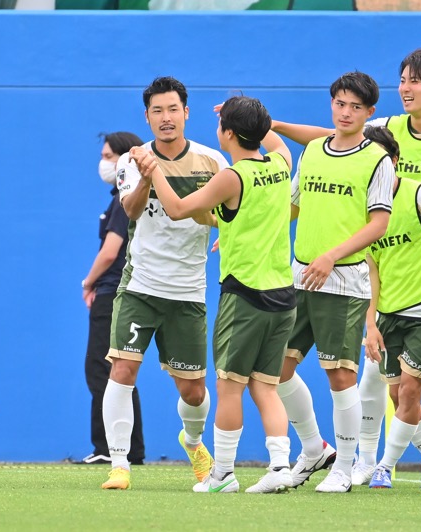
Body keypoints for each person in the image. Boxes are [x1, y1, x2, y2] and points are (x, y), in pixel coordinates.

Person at [273, 48, 421, 487]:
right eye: (401, 78)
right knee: (380, 381)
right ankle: (365, 460)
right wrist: (276, 126)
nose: (405, 86)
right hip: (382, 267)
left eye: (414, 80)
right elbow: (331, 136)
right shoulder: (381, 131)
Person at [132, 96, 296, 494]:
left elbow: (177, 208)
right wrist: (254, 116)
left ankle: (222, 472)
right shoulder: (280, 162)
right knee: (265, 386)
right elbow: (274, 140)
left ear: (227, 133)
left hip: (245, 296)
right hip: (284, 294)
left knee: (229, 386)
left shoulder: (231, 177)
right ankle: (279, 466)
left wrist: (152, 171)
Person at [100, 76, 229, 490]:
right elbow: (132, 211)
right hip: (140, 285)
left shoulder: (213, 162)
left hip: (188, 292)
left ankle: (193, 442)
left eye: (173, 109)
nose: (166, 118)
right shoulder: (130, 161)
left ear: (186, 113)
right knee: (122, 369)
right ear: (147, 117)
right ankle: (119, 464)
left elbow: (226, 213)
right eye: (158, 111)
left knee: (193, 391)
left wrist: (223, 228)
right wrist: (145, 174)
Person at [276, 71, 395, 493]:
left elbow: (379, 224)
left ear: (370, 113)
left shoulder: (377, 158)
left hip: (344, 281)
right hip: (301, 276)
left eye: (355, 107)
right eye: (340, 104)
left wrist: (331, 256)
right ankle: (314, 449)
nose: (346, 112)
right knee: (277, 368)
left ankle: (345, 467)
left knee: (340, 375)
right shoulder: (312, 151)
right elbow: (292, 206)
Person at [361, 125, 421, 489]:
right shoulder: (363, 210)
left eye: (381, 159)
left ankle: (383, 466)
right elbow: (369, 273)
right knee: (398, 394)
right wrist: (371, 324)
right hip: (388, 315)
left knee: (412, 391)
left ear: (395, 161)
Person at [80, 131, 146, 466]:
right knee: (115, 369)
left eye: (109, 156)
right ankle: (120, 448)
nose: (103, 163)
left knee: (103, 369)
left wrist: (88, 282)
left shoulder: (126, 199)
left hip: (113, 291)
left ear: (124, 159)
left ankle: (115, 448)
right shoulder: (117, 199)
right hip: (114, 290)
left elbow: (110, 252)